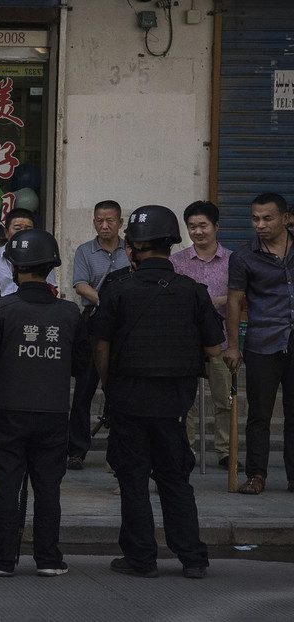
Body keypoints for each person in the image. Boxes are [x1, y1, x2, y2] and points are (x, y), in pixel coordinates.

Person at [92, 204, 219, 579]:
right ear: (171, 245)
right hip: (174, 404)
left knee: (132, 482)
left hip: (129, 399)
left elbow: (100, 346)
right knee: (175, 481)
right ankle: (192, 558)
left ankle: (141, 558)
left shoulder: (117, 289)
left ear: (130, 247)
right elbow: (214, 349)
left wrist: (107, 384)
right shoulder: (193, 292)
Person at [0, 229, 88, 577]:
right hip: (52, 413)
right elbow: (81, 367)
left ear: (15, 268)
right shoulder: (69, 313)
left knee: (7, 485)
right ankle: (48, 559)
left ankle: (2, 559)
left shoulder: (2, 309)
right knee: (48, 488)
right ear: (51, 266)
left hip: (8, 411)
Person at [225, 192, 294, 494]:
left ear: (285, 218)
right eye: (255, 218)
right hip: (262, 342)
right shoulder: (243, 256)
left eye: (267, 218)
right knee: (259, 414)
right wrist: (232, 346)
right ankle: (256, 475)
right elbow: (233, 302)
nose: (260, 225)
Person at [169, 200, 235, 468]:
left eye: (203, 226)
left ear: (216, 226)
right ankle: (187, 450)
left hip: (221, 340)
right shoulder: (177, 261)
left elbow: (241, 298)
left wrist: (218, 301)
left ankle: (225, 451)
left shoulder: (233, 260)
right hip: (187, 343)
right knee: (186, 403)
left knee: (224, 400)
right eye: (192, 227)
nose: (198, 232)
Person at [66, 200, 129, 470]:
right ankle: (76, 451)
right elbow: (80, 286)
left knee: (121, 389)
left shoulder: (132, 249)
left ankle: (118, 454)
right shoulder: (84, 251)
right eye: (99, 221)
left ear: (120, 222)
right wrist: (107, 300)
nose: (104, 226)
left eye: (110, 221)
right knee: (83, 390)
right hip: (92, 321)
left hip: (125, 325)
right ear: (93, 222)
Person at [0, 208, 58, 296]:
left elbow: (51, 289)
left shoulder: (42, 257)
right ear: (6, 232)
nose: (23, 233)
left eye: (28, 228)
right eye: (17, 228)